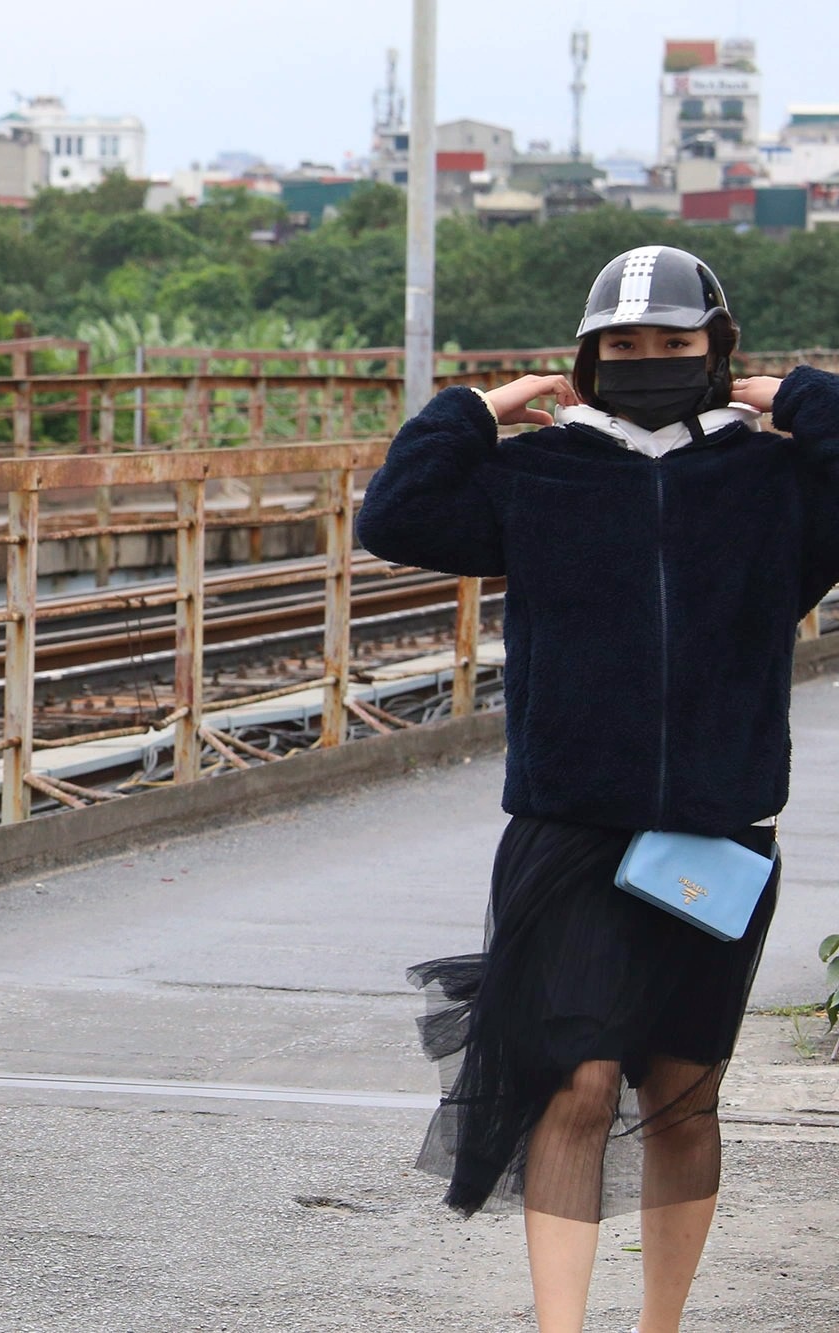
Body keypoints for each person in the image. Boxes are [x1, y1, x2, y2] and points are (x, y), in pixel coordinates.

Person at [357, 244, 839, 1333]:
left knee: (679, 1093)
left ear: (717, 352)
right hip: (570, 827)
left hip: (716, 834)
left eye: (674, 343)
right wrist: (472, 409)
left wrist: (804, 397)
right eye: (624, 345)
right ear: (585, 357)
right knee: (573, 1080)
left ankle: (658, 1326)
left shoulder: (769, 487)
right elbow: (393, 515)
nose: (649, 361)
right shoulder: (540, 476)